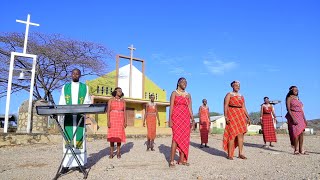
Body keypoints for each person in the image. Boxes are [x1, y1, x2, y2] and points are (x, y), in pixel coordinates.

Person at [58, 68, 91, 173]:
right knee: (67, 140)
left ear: (80, 75)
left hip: (79, 117)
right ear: (71, 75)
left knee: (80, 140)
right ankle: (66, 165)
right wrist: (60, 116)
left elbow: (87, 101)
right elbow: (62, 102)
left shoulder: (85, 87)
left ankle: (79, 164)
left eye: (77, 74)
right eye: (74, 73)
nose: (75, 75)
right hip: (68, 118)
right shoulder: (65, 87)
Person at [169, 77, 194, 167]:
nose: (185, 83)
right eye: (183, 82)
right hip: (176, 118)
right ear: (178, 83)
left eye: (186, 82)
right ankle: (171, 160)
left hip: (186, 119)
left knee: (185, 139)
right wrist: (170, 120)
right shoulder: (174, 93)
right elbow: (171, 107)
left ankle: (182, 160)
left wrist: (193, 119)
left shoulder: (188, 95)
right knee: (175, 138)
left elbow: (190, 109)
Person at [223, 80, 250, 160]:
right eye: (235, 85)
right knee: (232, 135)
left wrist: (248, 117)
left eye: (238, 85)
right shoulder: (229, 94)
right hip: (232, 115)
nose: (237, 87)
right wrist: (226, 117)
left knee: (240, 135)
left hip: (240, 115)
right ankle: (230, 154)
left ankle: (240, 153)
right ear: (232, 86)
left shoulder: (241, 96)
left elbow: (244, 107)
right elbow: (225, 106)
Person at [285, 86, 308, 155]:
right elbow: (288, 109)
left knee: (301, 133)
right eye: (295, 90)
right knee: (296, 133)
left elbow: (301, 110)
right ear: (291, 91)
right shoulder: (289, 98)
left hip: (300, 116)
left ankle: (301, 149)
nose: (296, 91)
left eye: (297, 90)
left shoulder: (298, 98)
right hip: (293, 116)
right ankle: (296, 150)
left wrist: (305, 119)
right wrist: (293, 118)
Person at [107, 87, 127, 159]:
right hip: (113, 119)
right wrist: (108, 121)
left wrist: (125, 121)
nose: (120, 92)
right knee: (112, 137)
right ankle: (111, 153)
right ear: (115, 92)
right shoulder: (111, 100)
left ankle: (118, 152)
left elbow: (125, 111)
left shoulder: (123, 101)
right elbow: (108, 111)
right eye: (119, 91)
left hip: (120, 120)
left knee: (119, 137)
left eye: (121, 91)